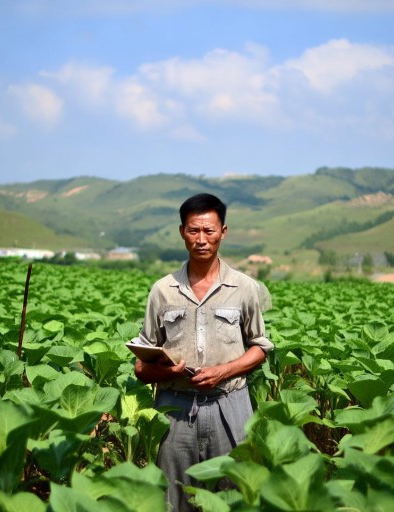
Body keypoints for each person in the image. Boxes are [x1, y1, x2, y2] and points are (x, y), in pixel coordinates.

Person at [132, 193, 274, 511]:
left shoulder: (244, 287)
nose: (201, 240)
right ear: (182, 231)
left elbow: (260, 348)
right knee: (173, 498)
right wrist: (166, 371)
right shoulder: (162, 290)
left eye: (209, 231)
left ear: (223, 232)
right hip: (175, 409)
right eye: (193, 231)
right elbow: (141, 366)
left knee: (232, 495)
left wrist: (223, 371)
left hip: (229, 405)